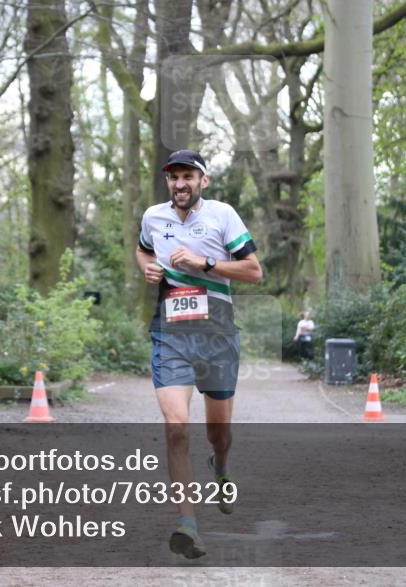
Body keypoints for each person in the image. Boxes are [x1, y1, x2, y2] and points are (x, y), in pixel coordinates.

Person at [136, 149, 262, 559]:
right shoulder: (153, 217)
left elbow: (254, 271)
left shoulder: (223, 215)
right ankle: (188, 524)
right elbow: (143, 249)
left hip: (217, 335)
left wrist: (204, 263)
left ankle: (219, 465)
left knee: (217, 434)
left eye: (188, 176)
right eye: (173, 177)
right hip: (170, 333)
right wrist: (147, 267)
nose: (180, 184)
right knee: (176, 428)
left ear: (203, 180)